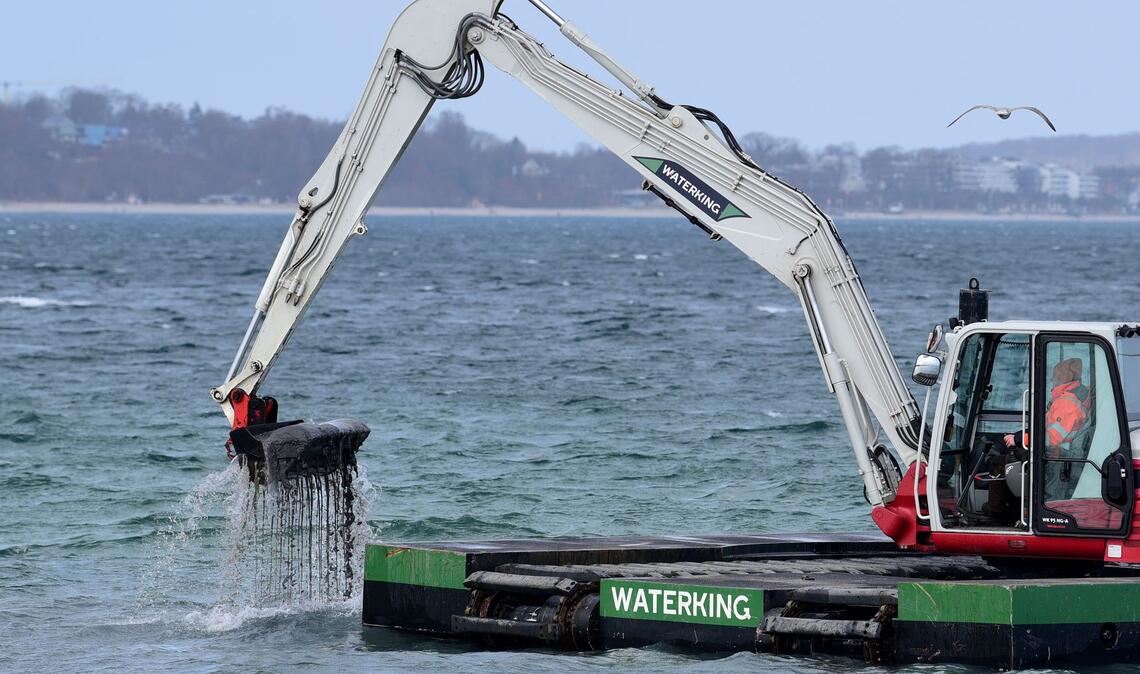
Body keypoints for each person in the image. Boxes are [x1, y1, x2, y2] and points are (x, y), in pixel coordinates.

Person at [988, 358, 1090, 516]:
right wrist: (1020, 436)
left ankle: (997, 510)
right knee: (1004, 448)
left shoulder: (1066, 403)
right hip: (1056, 455)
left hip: (1055, 458)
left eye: (1055, 376)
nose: (1052, 380)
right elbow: (1046, 428)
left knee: (998, 462)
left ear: (1063, 378)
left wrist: (1021, 439)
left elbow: (1051, 439)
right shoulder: (1070, 398)